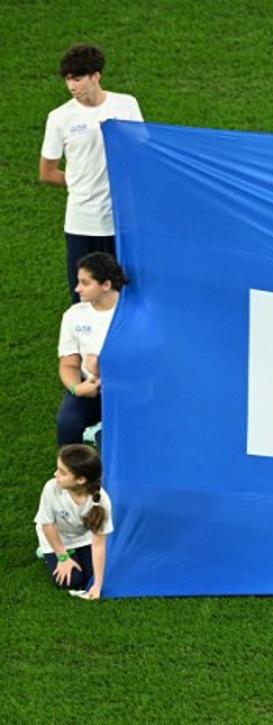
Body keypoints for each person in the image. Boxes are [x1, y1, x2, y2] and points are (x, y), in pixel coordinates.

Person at [39, 43, 143, 302]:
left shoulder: (126, 105)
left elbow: (142, 157)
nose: (73, 86)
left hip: (120, 221)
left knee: (123, 291)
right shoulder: (60, 117)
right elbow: (47, 172)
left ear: (96, 75)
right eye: (68, 80)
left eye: (78, 78)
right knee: (84, 294)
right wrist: (78, 183)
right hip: (81, 221)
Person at [57, 252, 126, 445]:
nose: (77, 289)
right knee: (67, 423)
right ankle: (69, 472)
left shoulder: (131, 314)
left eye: (85, 283)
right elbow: (68, 364)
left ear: (106, 285)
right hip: (90, 388)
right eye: (78, 282)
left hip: (128, 390)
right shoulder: (74, 315)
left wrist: (104, 367)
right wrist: (77, 388)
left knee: (112, 442)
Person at [34, 444, 115, 600]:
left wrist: (97, 585)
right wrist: (62, 557)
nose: (55, 474)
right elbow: (47, 525)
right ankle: (45, 553)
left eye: (62, 472)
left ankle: (75, 557)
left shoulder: (101, 501)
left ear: (81, 479)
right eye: (58, 469)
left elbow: (98, 544)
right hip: (54, 538)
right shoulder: (51, 488)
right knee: (72, 581)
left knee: (90, 578)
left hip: (82, 540)